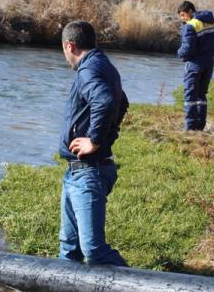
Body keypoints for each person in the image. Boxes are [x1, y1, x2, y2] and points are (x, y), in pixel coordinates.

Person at [58, 20, 129, 266]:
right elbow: (123, 102)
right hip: (79, 172)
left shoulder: (87, 70)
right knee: (69, 248)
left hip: (89, 172)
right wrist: (108, 135)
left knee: (94, 250)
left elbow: (106, 102)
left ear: (70, 45)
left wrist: (95, 141)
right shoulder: (104, 65)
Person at [176, 1, 214, 130]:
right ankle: (200, 126)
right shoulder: (213, 22)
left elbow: (187, 49)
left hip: (194, 64)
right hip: (209, 62)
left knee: (190, 95)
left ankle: (190, 127)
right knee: (201, 94)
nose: (182, 18)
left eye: (182, 15)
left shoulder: (191, 25)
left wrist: (179, 53)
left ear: (190, 11)